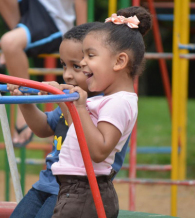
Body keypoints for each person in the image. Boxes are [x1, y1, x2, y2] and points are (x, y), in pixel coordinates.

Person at [50, 6, 152, 218]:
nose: (84, 61)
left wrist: (79, 107)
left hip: (85, 192)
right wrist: (63, 101)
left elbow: (98, 151)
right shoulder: (105, 101)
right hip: (76, 190)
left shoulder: (120, 102)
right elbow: (76, 130)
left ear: (119, 61)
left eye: (91, 55)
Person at [6, 22, 99, 218]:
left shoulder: (101, 104)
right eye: (64, 65)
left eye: (76, 66)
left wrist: (63, 101)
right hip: (47, 183)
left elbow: (85, 142)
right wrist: (25, 102)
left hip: (74, 190)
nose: (67, 75)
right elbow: (43, 128)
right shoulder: (71, 98)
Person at [0, 0, 87, 147]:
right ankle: (16, 41)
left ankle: (14, 46)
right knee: (10, 43)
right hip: (30, 12)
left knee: (9, 43)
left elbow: (80, 3)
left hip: (54, 22)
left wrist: (82, 42)